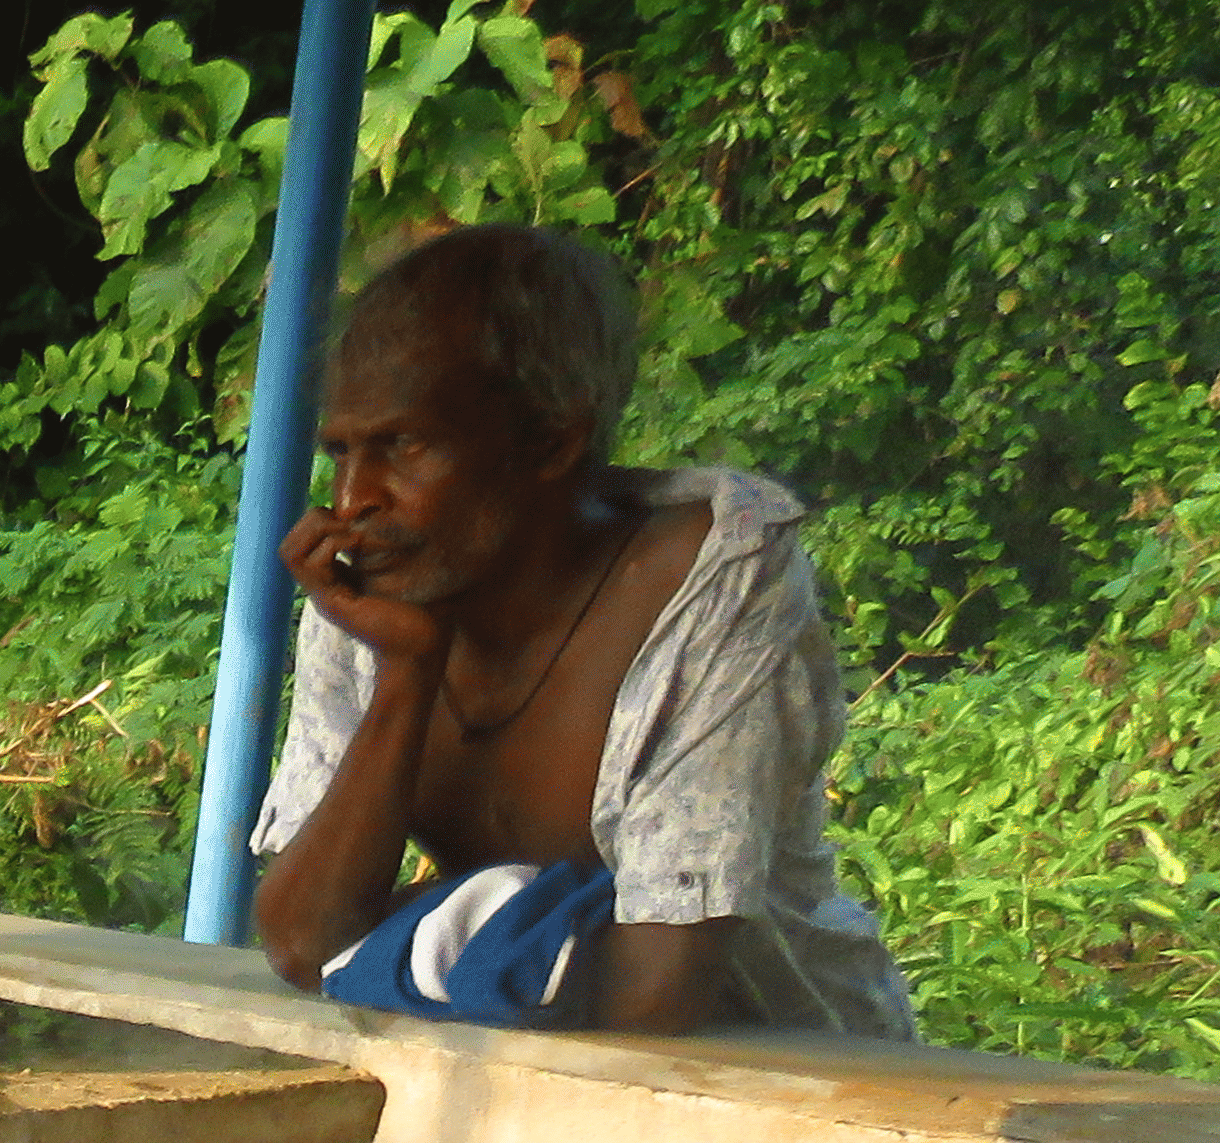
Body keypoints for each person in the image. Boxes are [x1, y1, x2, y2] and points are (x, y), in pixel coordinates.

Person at [251, 222, 914, 1038]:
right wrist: (407, 672)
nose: (353, 500)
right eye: (341, 452)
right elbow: (302, 941)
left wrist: (423, 923)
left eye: (405, 444)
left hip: (807, 1089)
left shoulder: (715, 572)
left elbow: (658, 991)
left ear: (550, 440)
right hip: (540, 1088)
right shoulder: (386, 584)